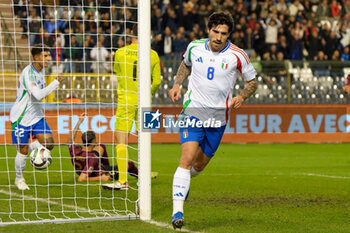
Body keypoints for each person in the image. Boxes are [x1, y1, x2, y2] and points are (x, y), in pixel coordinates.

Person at [168, 12, 257, 229]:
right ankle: (177, 211)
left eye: (223, 34)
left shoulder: (238, 55)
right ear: (209, 29)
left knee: (199, 164)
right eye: (215, 32)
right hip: (193, 111)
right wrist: (177, 83)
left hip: (218, 118)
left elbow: (252, 82)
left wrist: (242, 96)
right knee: (187, 158)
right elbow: (185, 65)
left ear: (229, 35)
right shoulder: (194, 47)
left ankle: (184, 181)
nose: (218, 37)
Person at [102, 25, 161, 190]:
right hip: (145, 102)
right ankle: (144, 175)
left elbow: (118, 74)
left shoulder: (120, 53)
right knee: (145, 138)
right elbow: (157, 81)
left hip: (126, 100)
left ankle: (122, 181)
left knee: (121, 139)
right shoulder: (153, 55)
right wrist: (148, 94)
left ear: (132, 34)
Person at [10, 43, 65, 190]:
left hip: (36, 116)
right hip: (21, 117)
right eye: (45, 56)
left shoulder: (41, 72)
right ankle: (19, 179)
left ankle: (30, 149)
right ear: (36, 57)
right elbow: (39, 95)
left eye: (49, 55)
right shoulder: (28, 73)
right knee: (22, 150)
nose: (48, 58)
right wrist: (56, 82)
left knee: (49, 143)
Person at [67, 113, 138, 182]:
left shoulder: (75, 149)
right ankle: (140, 175)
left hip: (84, 168)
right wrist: (101, 178)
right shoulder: (92, 157)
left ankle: (108, 167)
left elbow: (70, 140)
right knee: (130, 164)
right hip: (95, 173)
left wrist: (79, 122)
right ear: (93, 142)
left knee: (101, 146)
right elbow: (81, 179)